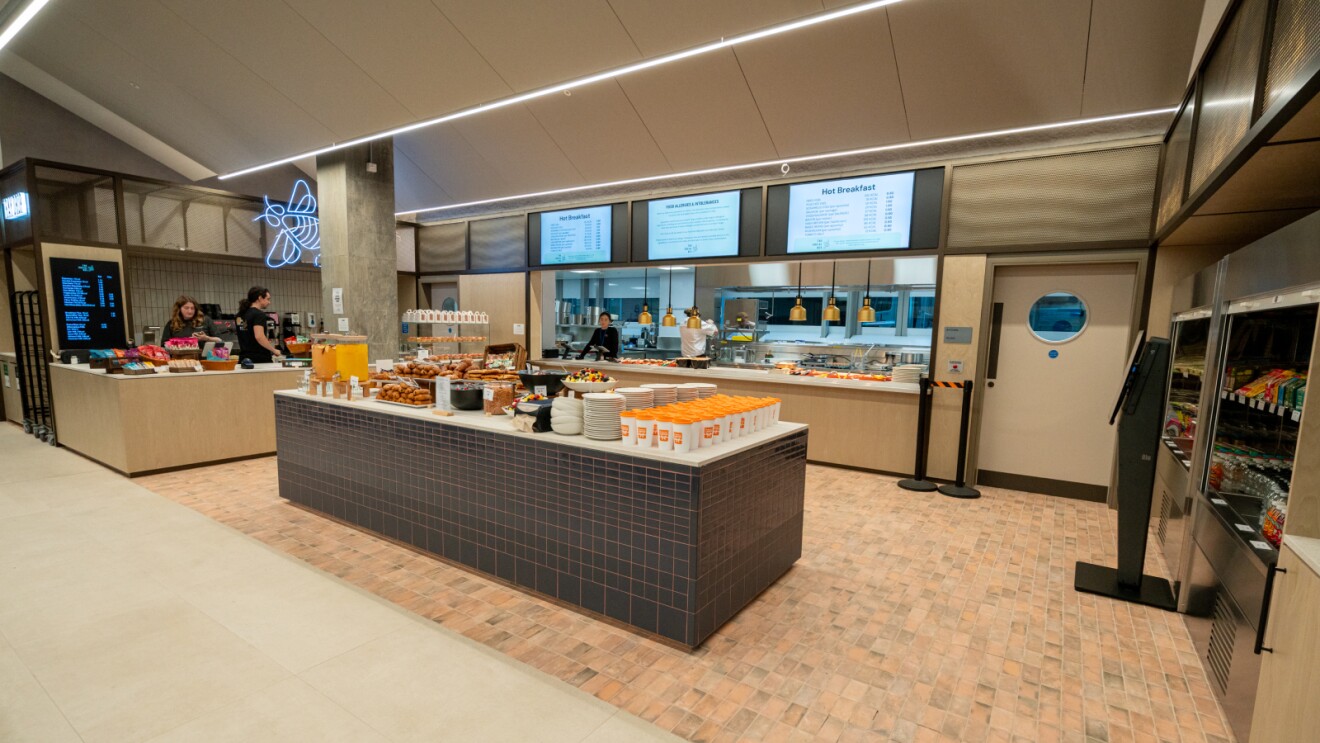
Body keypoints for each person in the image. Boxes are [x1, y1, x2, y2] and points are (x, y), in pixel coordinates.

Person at [235, 286, 282, 363]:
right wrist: (274, 350)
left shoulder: (239, 315)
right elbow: (259, 336)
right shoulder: (259, 314)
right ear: (260, 298)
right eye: (268, 299)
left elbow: (245, 333)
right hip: (259, 360)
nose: (269, 302)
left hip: (244, 359)